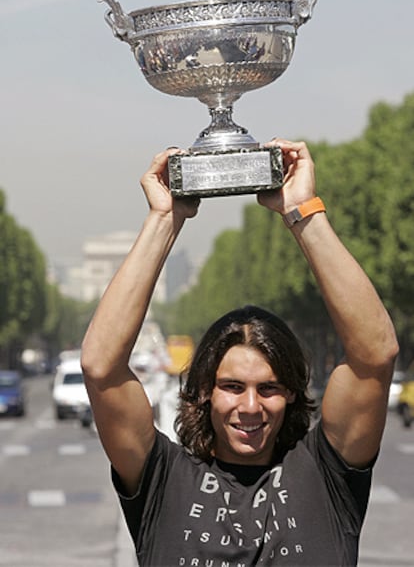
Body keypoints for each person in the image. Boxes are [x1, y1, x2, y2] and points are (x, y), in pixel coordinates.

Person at [81, 139, 398, 566]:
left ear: (290, 393)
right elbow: (100, 367)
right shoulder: (162, 479)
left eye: (268, 388)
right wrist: (164, 219)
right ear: (204, 392)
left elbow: (375, 356)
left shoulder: (326, 475)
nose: (250, 406)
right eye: (232, 386)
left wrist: (302, 211)